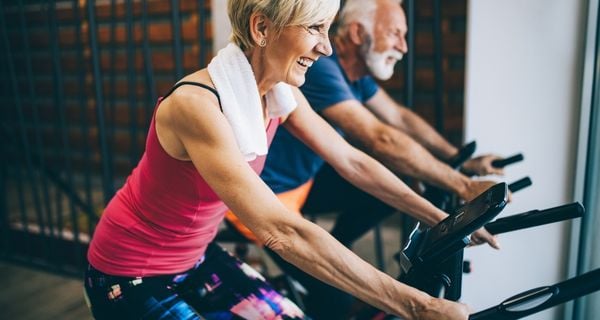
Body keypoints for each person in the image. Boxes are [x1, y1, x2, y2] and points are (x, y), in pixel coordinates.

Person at [83, 0, 477, 319]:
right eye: (314, 28)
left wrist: (444, 221)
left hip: (196, 258)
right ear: (262, 28)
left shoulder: (278, 93)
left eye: (328, 29)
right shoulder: (197, 106)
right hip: (128, 273)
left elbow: (352, 161)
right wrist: (418, 306)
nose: (326, 47)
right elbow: (281, 231)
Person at [223, 0, 505, 318]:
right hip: (264, 196)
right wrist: (464, 186)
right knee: (337, 292)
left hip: (302, 182)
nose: (404, 46)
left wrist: (444, 214)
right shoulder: (310, 73)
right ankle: (331, 269)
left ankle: (337, 246)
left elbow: (383, 133)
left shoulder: (307, 86)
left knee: (390, 188)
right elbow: (378, 137)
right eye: (395, 33)